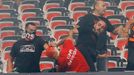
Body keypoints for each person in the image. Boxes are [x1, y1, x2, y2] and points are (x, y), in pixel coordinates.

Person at [75, 0, 125, 72]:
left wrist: (123, 27)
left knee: (103, 72)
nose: (105, 8)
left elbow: (114, 31)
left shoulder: (105, 20)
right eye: (103, 6)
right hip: (88, 53)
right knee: (90, 71)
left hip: (102, 53)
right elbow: (76, 29)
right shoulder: (87, 17)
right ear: (96, 6)